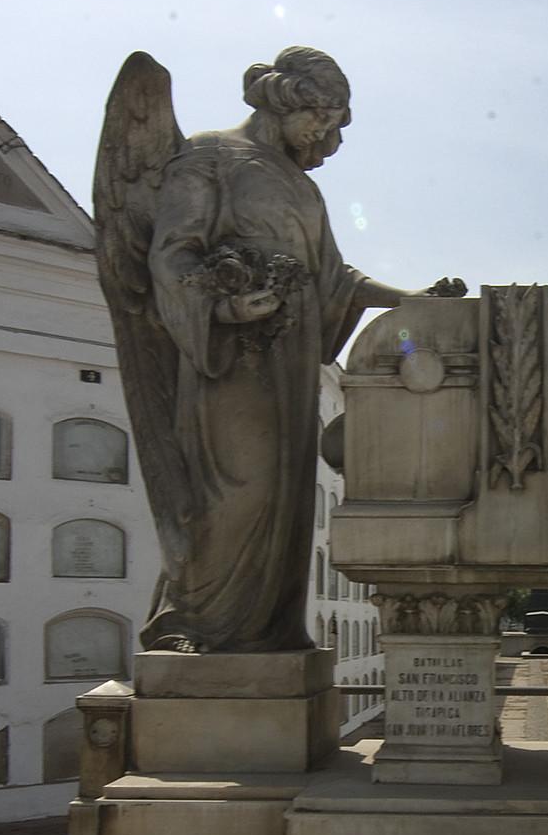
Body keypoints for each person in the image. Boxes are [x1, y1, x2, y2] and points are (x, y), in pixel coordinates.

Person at [96, 47, 456, 652]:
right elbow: (172, 254)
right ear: (290, 99)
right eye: (324, 117)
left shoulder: (301, 188)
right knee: (241, 491)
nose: (328, 136)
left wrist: (412, 301)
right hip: (231, 361)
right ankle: (198, 624)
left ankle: (267, 636)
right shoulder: (210, 157)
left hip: (288, 365)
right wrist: (230, 308)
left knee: (286, 507)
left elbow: (336, 280)